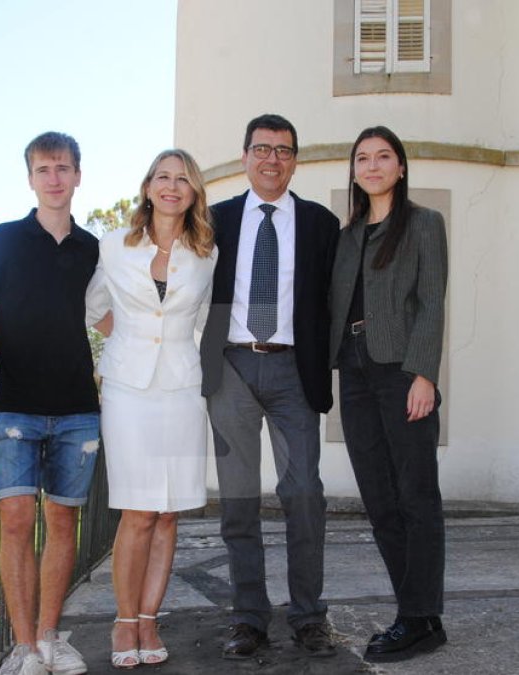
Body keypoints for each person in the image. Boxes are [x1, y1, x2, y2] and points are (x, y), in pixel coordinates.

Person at [199, 114, 341, 659]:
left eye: (283, 151)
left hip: (293, 372)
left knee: (303, 494)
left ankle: (308, 616)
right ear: (245, 157)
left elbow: (335, 298)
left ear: (295, 160)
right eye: (262, 149)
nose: (272, 160)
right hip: (231, 368)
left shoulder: (320, 224)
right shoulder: (213, 221)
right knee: (238, 502)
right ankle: (249, 619)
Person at [0, 131, 98, 675]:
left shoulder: (94, 249)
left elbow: (109, 314)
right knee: (16, 519)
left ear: (78, 175)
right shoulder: (3, 239)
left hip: (77, 407)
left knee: (62, 523)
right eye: (44, 170)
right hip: (14, 402)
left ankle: (50, 639)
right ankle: (23, 649)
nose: (55, 178)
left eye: (63, 168)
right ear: (31, 178)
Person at [85, 149, 217, 669]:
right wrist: (135, 346)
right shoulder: (114, 247)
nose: (171, 186)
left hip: (183, 390)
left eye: (182, 179)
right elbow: (95, 309)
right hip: (128, 390)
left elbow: (204, 321)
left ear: (193, 193)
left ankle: (149, 619)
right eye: (163, 177)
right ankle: (123, 620)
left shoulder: (206, 253)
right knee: (137, 510)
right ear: (147, 187)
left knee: (167, 513)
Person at [327, 125, 449, 663]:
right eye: (362, 158)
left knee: (416, 496)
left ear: (400, 166)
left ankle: (421, 618)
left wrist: (425, 373)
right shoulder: (347, 235)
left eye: (383, 157)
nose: (372, 166)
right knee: (379, 500)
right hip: (353, 375)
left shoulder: (424, 224)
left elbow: (431, 300)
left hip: (401, 373)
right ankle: (414, 613)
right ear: (354, 170)